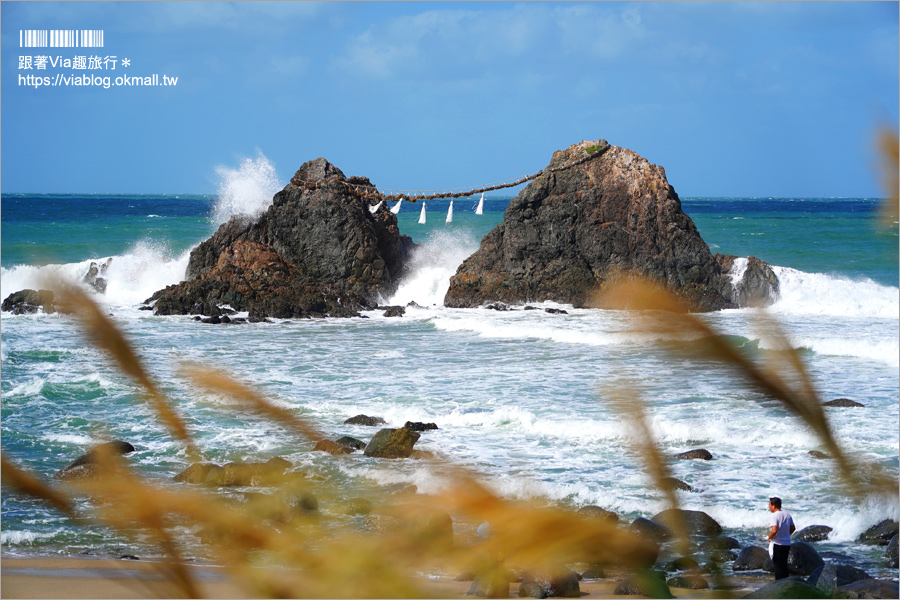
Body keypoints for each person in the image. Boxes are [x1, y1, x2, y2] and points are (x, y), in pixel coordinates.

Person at [767, 497, 796, 580]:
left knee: (777, 565)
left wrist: (769, 537)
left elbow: (774, 530)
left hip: (778, 543)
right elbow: (793, 528)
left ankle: (778, 582)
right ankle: (785, 581)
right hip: (786, 543)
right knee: (784, 564)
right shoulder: (787, 514)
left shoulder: (774, 516)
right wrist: (786, 535)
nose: (769, 507)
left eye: (769, 505)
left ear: (774, 506)